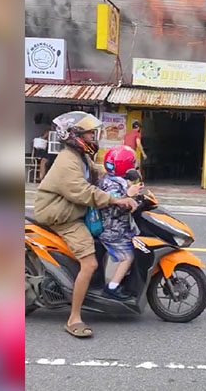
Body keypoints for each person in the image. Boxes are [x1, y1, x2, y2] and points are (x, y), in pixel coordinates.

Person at [33, 111, 137, 339]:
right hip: (63, 216)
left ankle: (97, 287)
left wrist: (119, 180)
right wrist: (115, 199)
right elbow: (83, 192)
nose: (93, 136)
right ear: (74, 135)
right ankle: (74, 318)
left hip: (73, 210)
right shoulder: (67, 161)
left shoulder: (80, 156)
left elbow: (97, 174)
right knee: (89, 263)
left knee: (103, 238)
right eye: (89, 132)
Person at [96, 146, 144, 300]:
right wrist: (128, 195)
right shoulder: (110, 185)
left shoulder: (113, 180)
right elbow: (113, 211)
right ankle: (111, 288)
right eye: (132, 163)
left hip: (120, 228)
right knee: (127, 257)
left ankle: (124, 282)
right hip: (112, 230)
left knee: (139, 247)